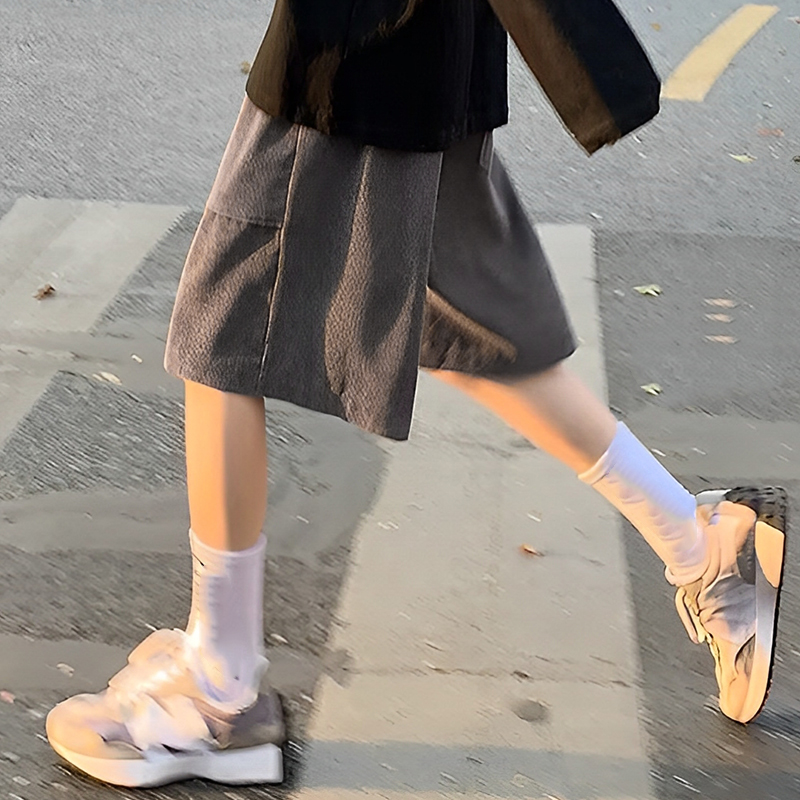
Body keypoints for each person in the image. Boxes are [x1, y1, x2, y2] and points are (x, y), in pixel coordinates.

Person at [45, 0, 786, 788]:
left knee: (225, 329)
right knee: (457, 322)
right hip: (426, 41)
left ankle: (218, 688)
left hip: (361, 36)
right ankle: (696, 542)